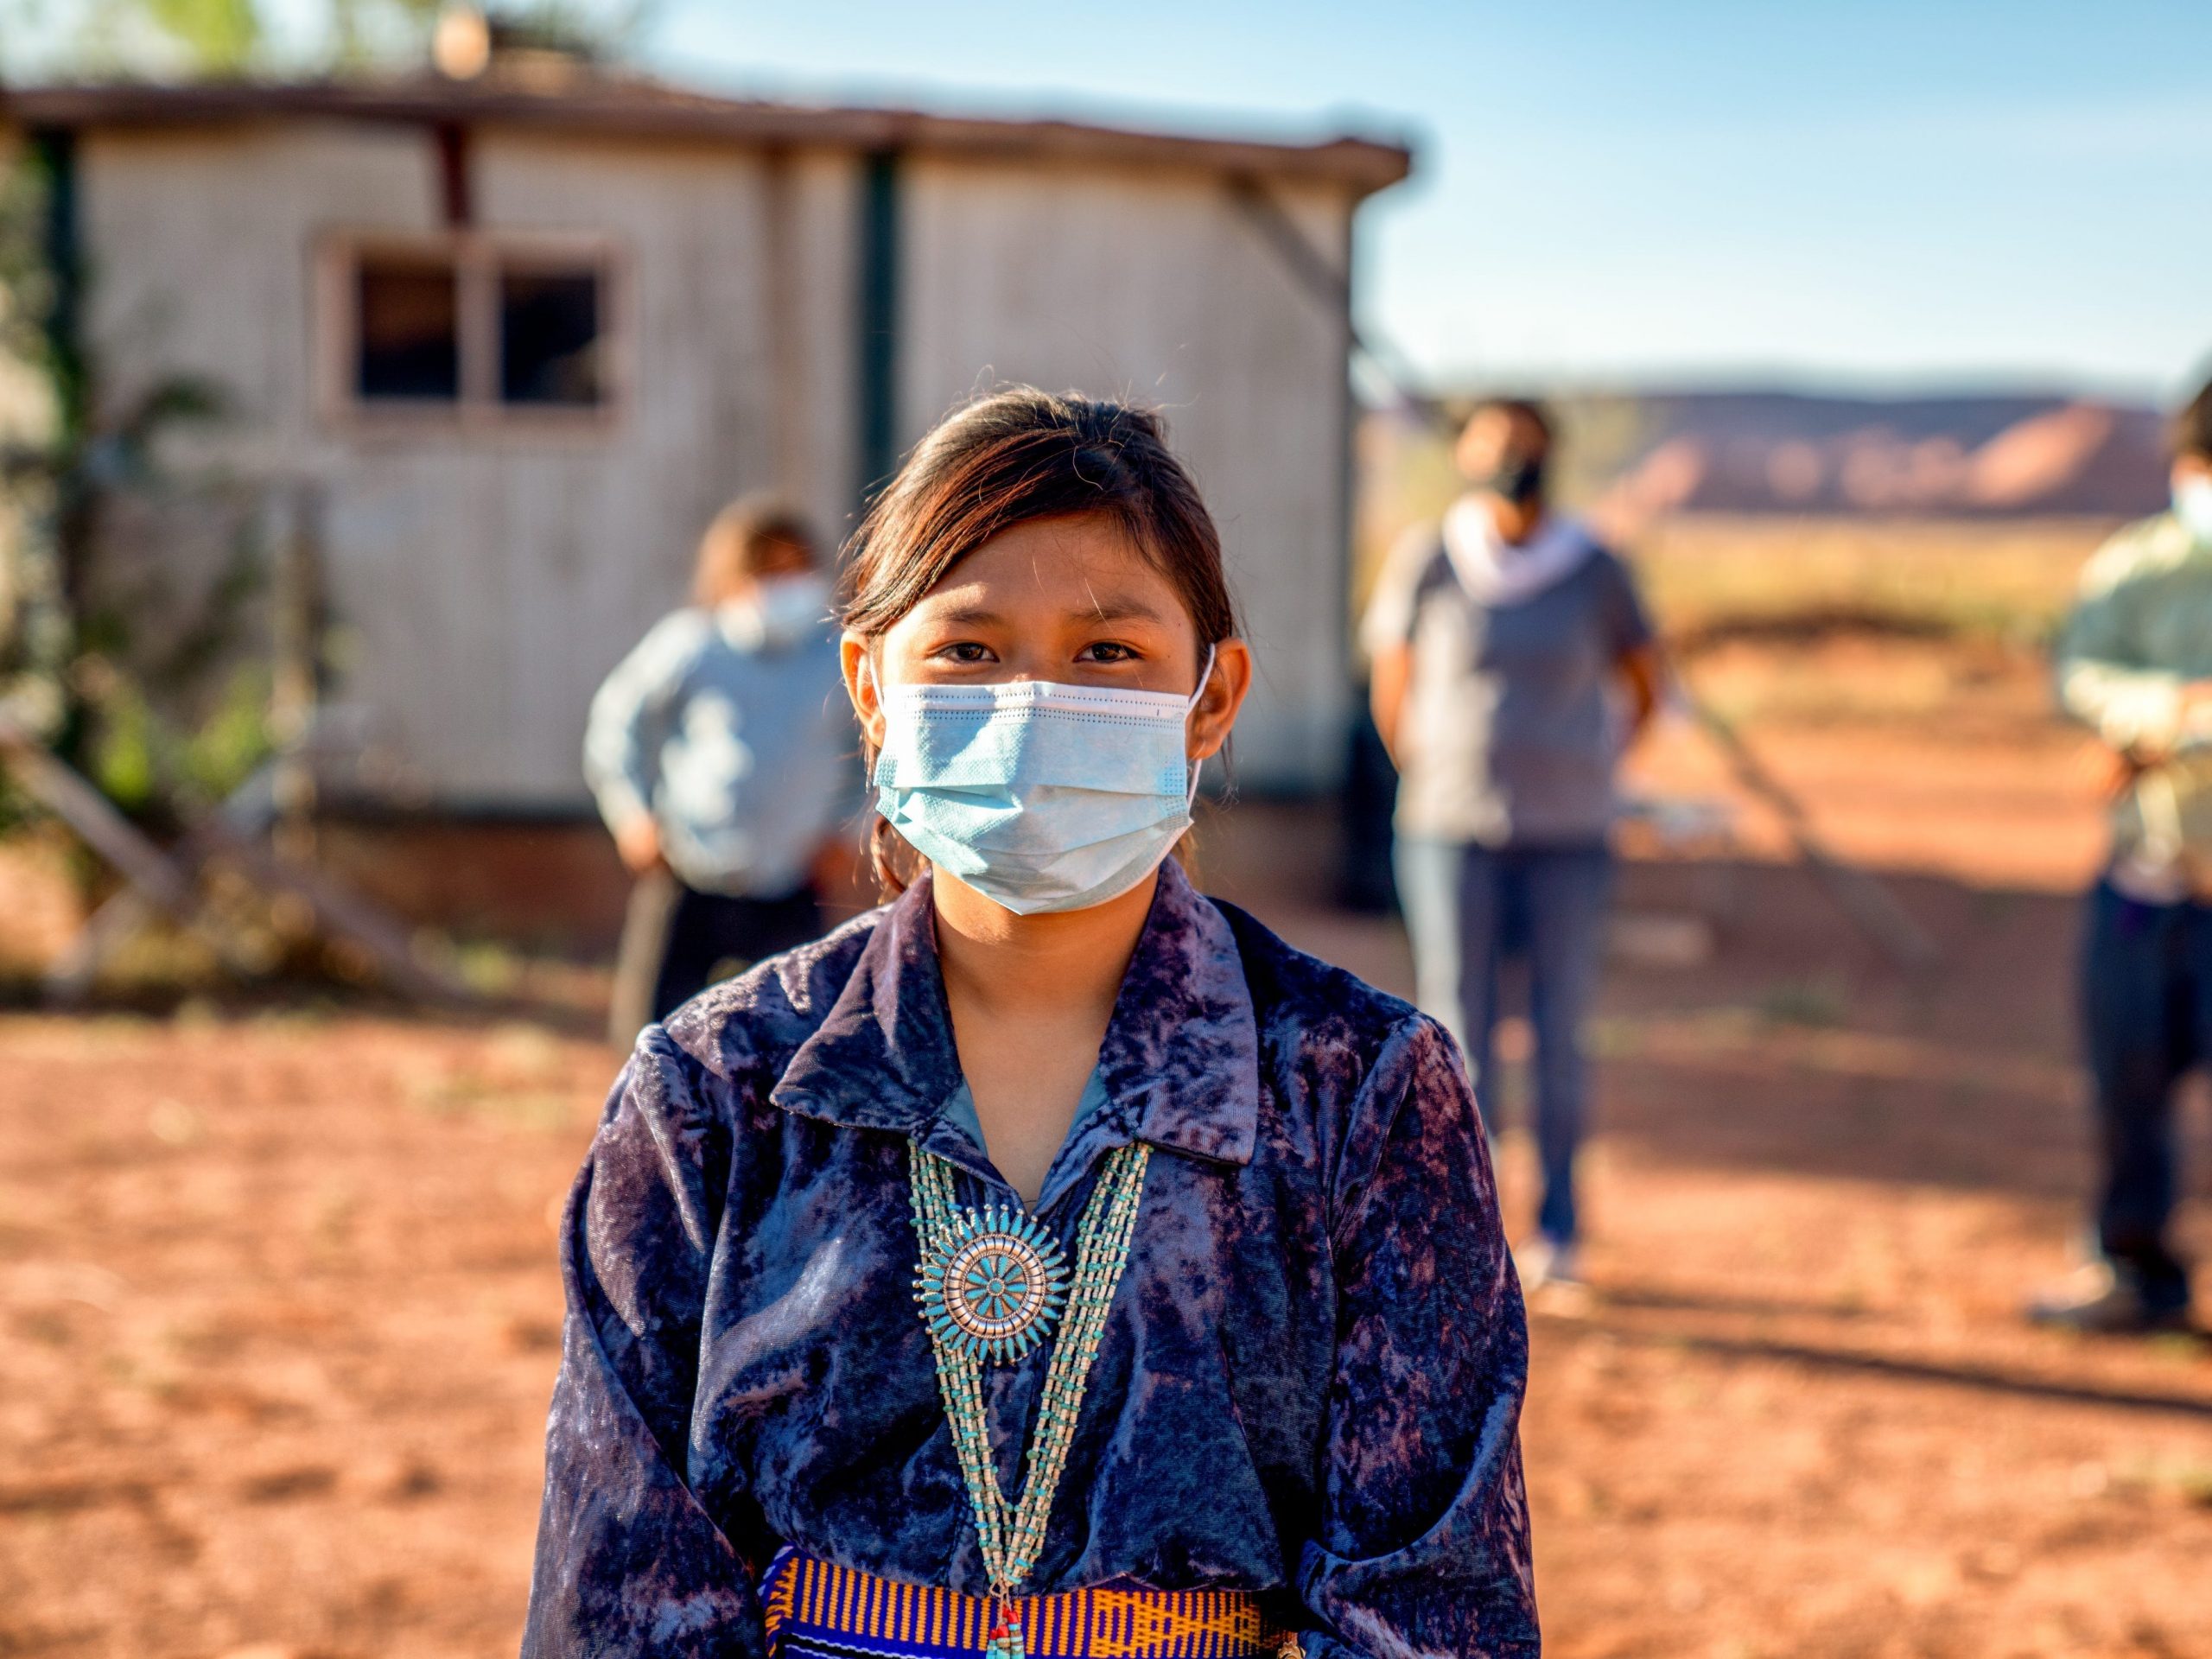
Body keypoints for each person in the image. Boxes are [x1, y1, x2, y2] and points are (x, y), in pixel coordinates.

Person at [524, 389, 1537, 1659]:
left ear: (1212, 699)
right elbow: (617, 1599)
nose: (1030, 709)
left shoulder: (1360, 1090)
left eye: (1108, 655)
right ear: (871, 685)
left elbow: (1430, 1607)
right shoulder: (714, 1091)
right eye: (968, 651)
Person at [1363, 397, 1662, 1293]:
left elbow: (1645, 683)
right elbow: (1395, 685)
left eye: (1523, 447)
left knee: (1561, 1028)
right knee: (1459, 1029)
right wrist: (1433, 768)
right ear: (1463, 457)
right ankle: (1466, 1231)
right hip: (1450, 831)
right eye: (1491, 447)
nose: (1510, 462)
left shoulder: (1596, 568)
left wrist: (1588, 767)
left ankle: (1560, 1227)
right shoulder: (1431, 561)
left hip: (1568, 834)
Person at [2030, 374, 2212, 1335]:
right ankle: (2134, 1266)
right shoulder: (2137, 570)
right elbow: (2082, 678)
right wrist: (2176, 713)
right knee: (2126, 1083)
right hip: (2148, 885)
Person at [584, 498, 859, 1046]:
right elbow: (617, 728)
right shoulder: (692, 646)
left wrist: (846, 828)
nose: (786, 586)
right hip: (690, 874)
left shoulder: (839, 657)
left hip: (790, 879)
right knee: (653, 1040)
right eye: (768, 571)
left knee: (796, 1045)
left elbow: (874, 750)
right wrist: (633, 817)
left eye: (796, 569)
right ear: (733, 577)